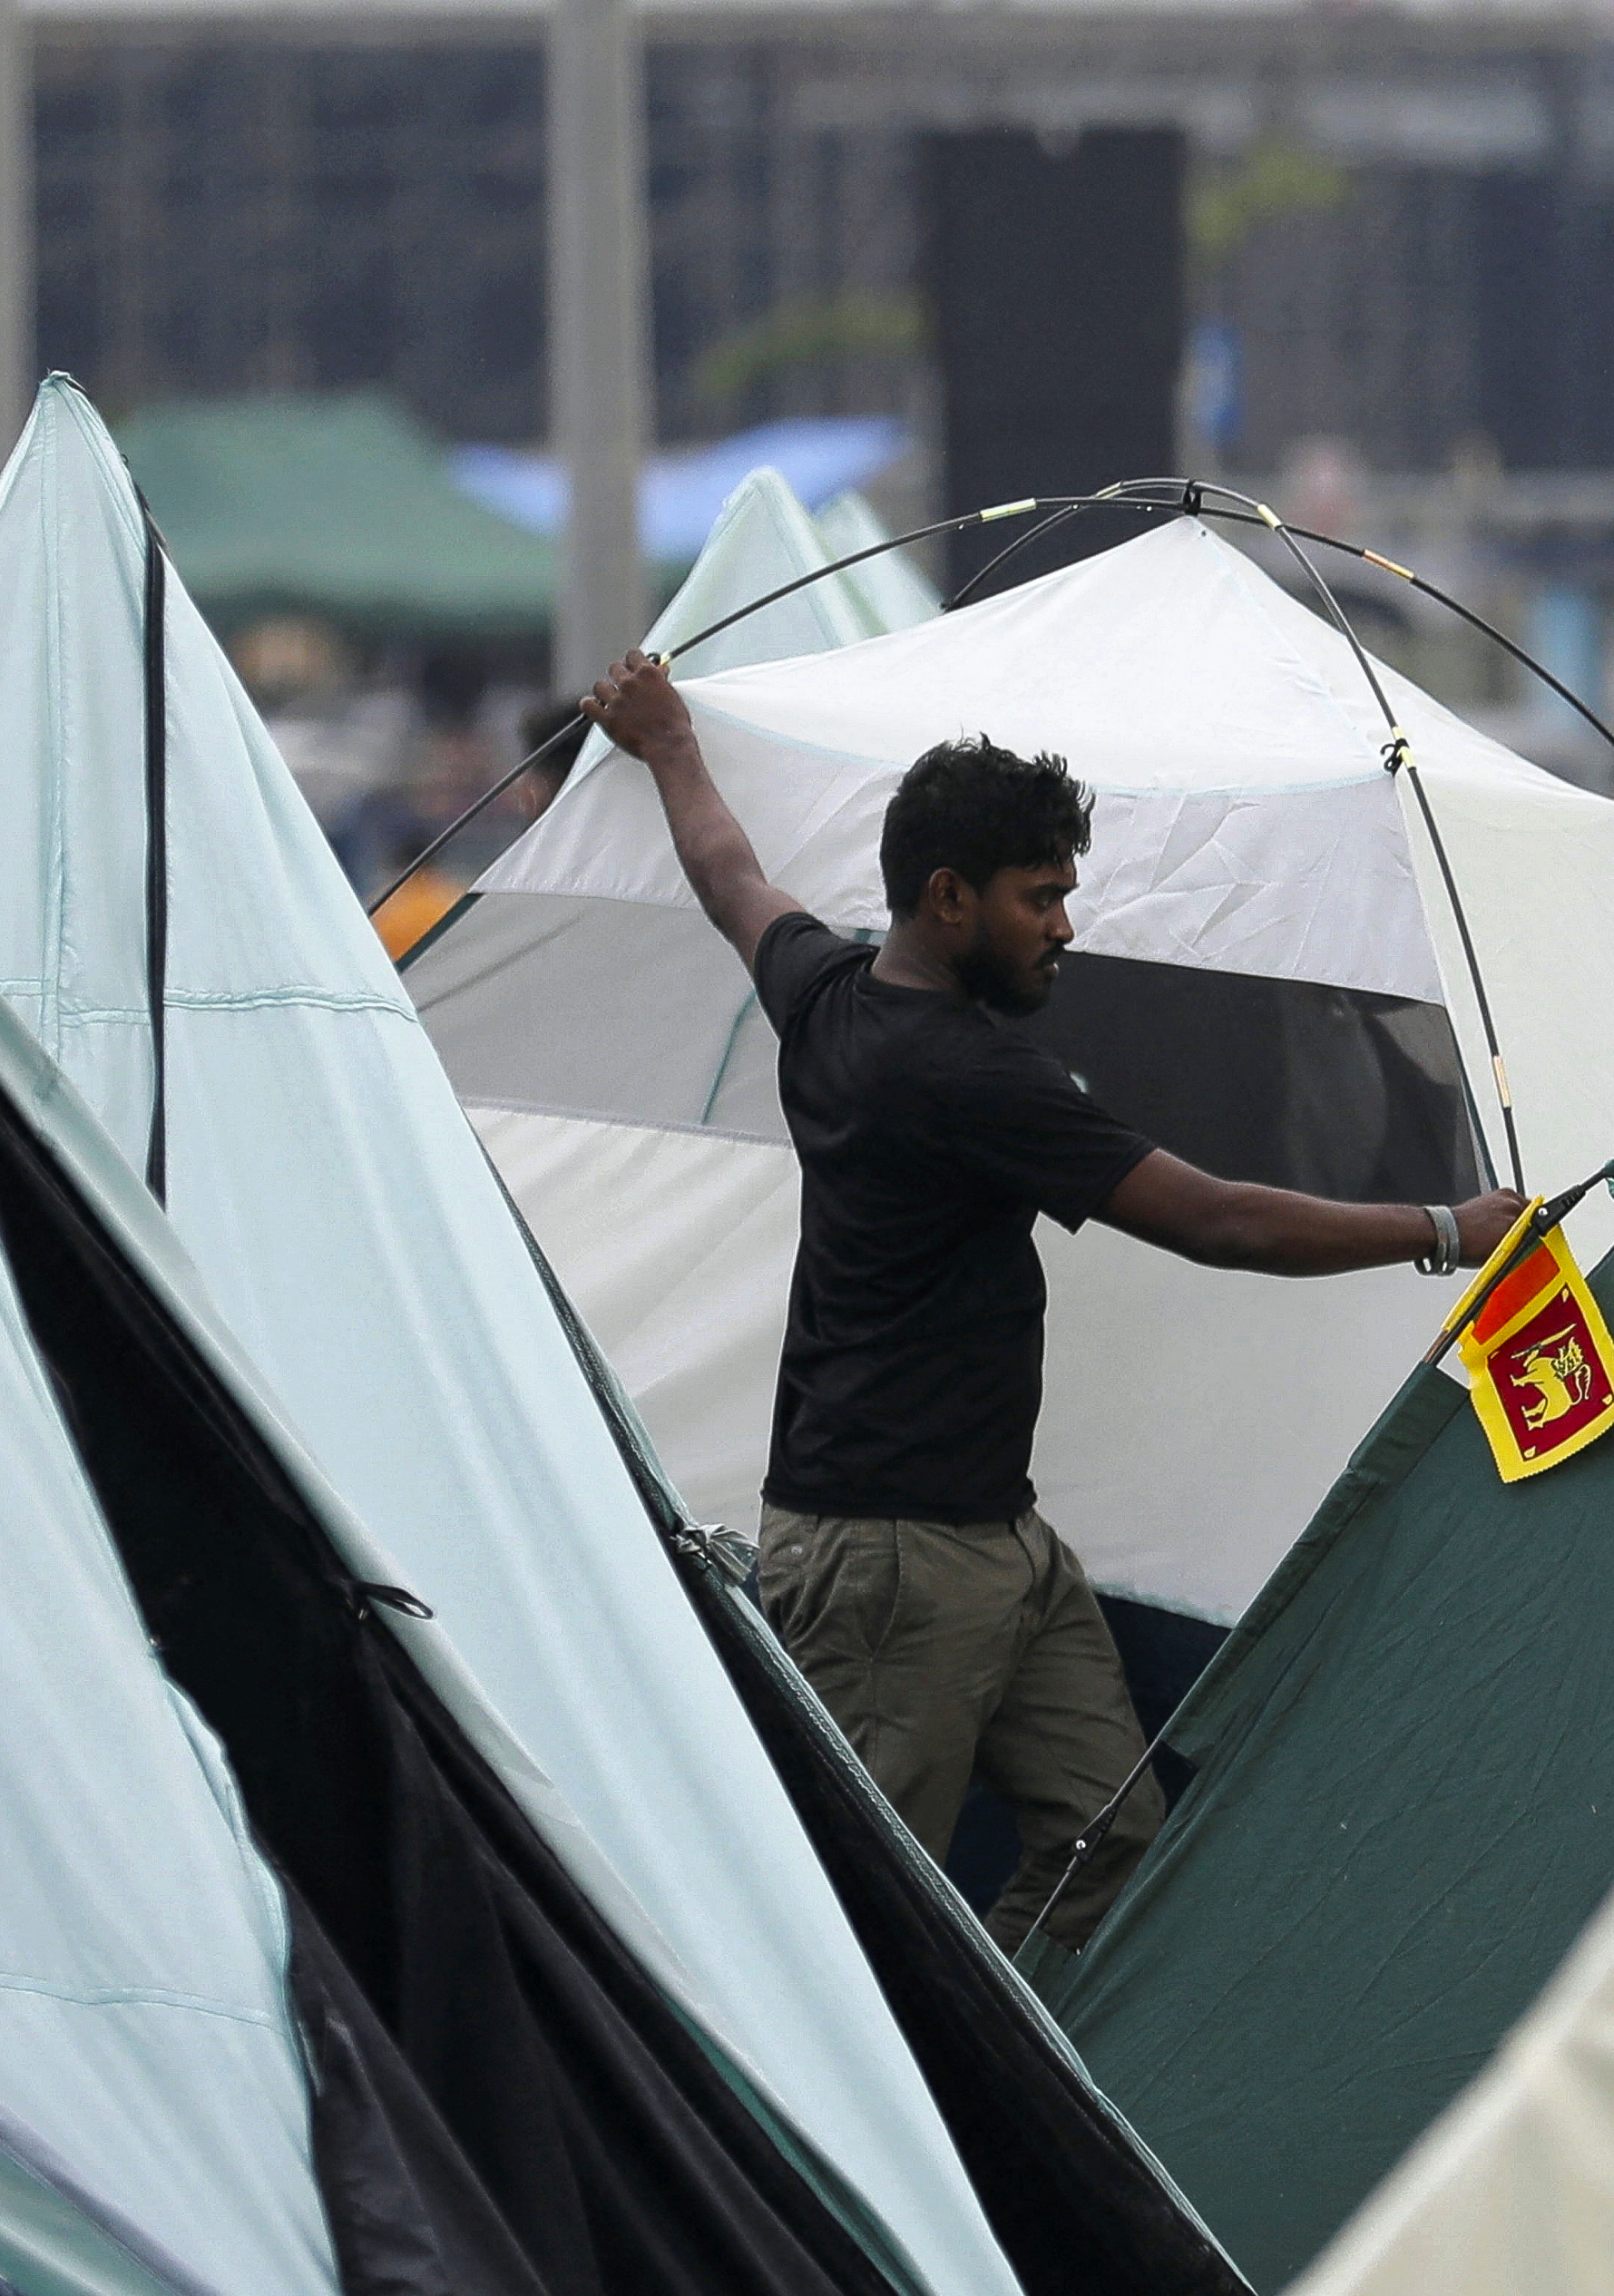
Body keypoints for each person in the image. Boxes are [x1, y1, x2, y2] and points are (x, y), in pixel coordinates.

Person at [585, 650, 1525, 1948]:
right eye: (1042, 899)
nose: (1067, 929)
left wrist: (672, 745)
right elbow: (1217, 1220)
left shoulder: (825, 994)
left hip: (996, 1542)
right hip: (887, 1566)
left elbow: (731, 878)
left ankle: (995, 2094)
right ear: (949, 897)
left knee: (1110, 1835)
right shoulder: (966, 1076)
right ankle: (873, 2128)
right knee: (866, 1915)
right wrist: (1444, 1230)